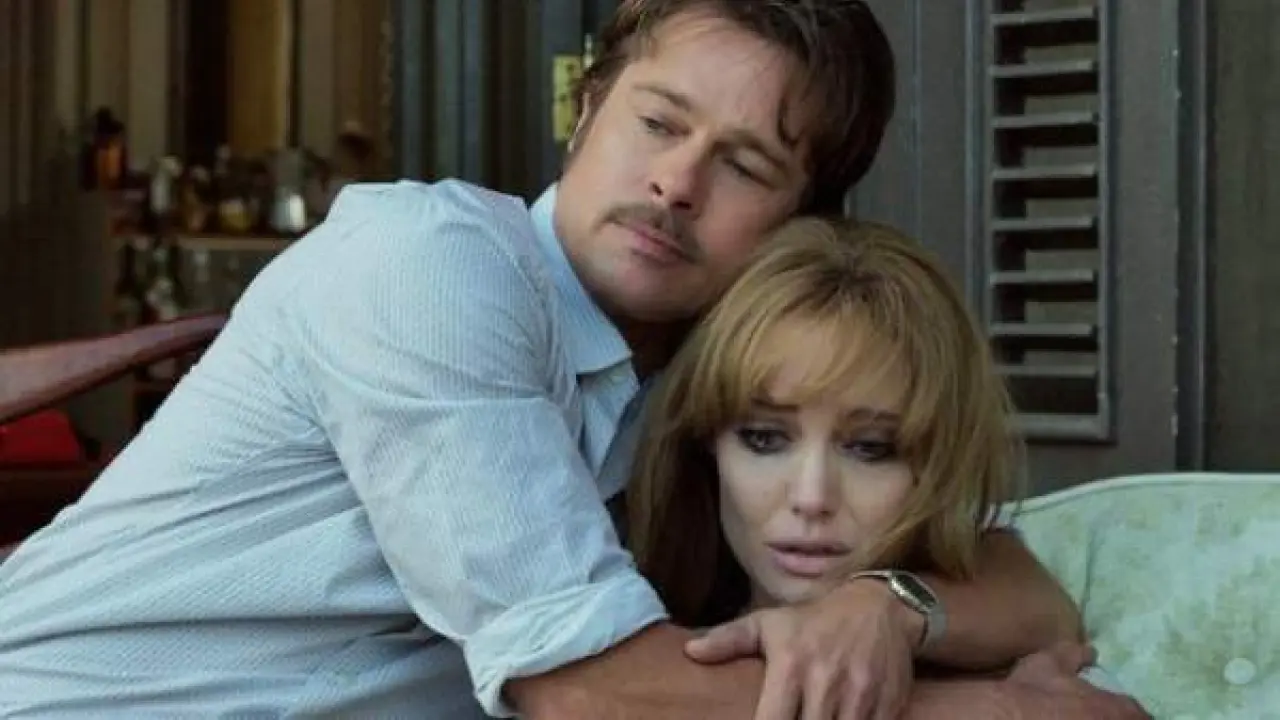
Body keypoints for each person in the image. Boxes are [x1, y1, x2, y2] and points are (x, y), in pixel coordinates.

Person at [0, 1, 1131, 717]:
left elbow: (1013, 578)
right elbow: (589, 694)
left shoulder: (726, 384)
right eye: (657, 123)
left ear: (802, 217)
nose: (675, 184)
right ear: (585, 111)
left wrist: (887, 609)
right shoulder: (427, 264)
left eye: (743, 164)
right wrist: (993, 715)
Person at [627, 217, 1150, 718]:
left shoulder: (1046, 684)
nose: (811, 497)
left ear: (940, 462)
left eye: (871, 448)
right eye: (764, 438)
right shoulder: (630, 647)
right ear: (708, 444)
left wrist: (888, 606)